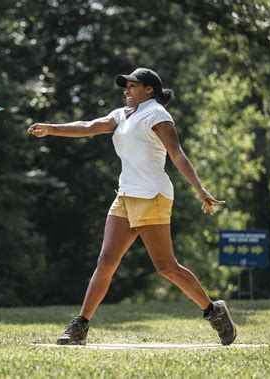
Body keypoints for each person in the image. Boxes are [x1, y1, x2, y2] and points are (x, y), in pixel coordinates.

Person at [27, 68, 237, 346]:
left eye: (132, 85)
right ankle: (80, 325)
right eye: (125, 86)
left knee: (166, 267)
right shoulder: (121, 115)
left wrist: (199, 188)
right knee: (106, 261)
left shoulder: (158, 115)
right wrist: (52, 129)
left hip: (152, 195)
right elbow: (90, 126)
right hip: (125, 195)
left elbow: (177, 154)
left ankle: (214, 311)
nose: (126, 89)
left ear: (148, 90)